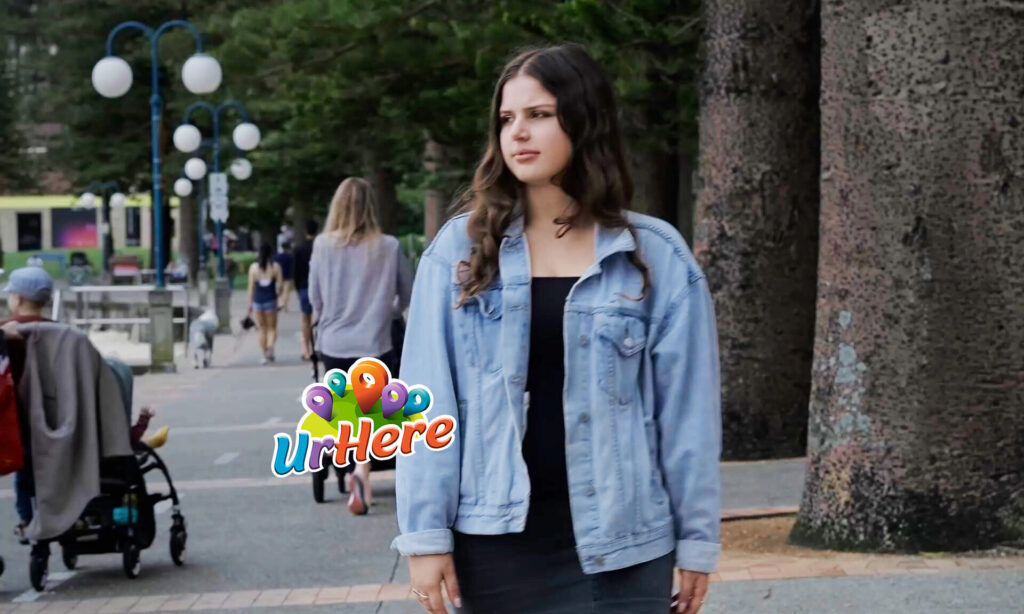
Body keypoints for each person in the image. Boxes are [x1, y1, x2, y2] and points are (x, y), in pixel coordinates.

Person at [392, 45, 722, 614]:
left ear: (583, 119)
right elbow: (427, 405)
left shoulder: (656, 256)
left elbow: (687, 415)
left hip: (624, 545)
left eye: (539, 115)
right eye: (506, 118)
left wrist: (697, 538)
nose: (517, 132)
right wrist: (424, 535)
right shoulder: (460, 253)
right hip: (496, 544)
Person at [308, 177, 413, 515]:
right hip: (374, 340)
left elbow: (315, 299)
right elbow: (407, 296)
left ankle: (352, 465)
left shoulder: (322, 246)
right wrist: (384, 310)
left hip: (334, 341)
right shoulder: (389, 246)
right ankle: (362, 471)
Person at [246, 243, 283, 365]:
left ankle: (263, 354)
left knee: (262, 329)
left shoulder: (253, 268)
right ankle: (270, 347)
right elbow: (280, 285)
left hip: (258, 300)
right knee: (272, 328)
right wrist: (280, 297)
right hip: (271, 300)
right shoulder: (275, 267)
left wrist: (250, 303)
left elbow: (251, 287)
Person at [292, 220, 318, 361]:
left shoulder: (298, 248)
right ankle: (316, 348)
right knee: (317, 318)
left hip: (303, 286)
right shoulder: (320, 247)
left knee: (305, 319)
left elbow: (295, 271)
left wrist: (297, 287)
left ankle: (306, 350)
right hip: (319, 288)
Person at [275, 242, 295, 312]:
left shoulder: (277, 256)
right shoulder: (290, 256)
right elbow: (292, 267)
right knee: (286, 292)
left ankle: (279, 304)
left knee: (279, 291)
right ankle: (285, 306)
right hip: (288, 276)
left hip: (278, 276)